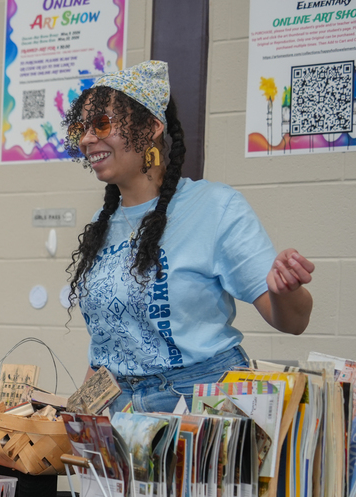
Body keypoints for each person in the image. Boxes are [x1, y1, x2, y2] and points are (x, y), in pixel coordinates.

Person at [62, 60, 315, 413]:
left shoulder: (215, 206)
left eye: (101, 124)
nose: (88, 139)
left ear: (151, 126)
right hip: (121, 410)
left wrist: (284, 289)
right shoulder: (101, 225)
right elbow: (107, 348)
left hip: (200, 406)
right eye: (82, 128)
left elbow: (294, 322)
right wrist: (74, 417)